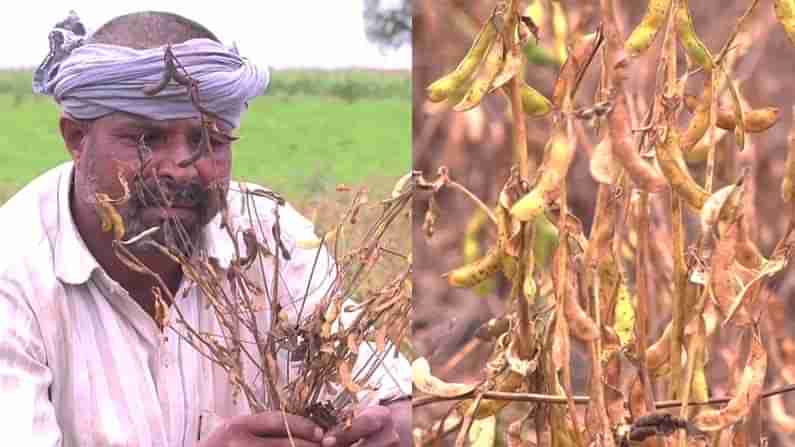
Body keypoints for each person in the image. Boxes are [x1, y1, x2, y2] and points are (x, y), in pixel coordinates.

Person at [0, 10, 410, 447]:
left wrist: (389, 428)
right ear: (76, 139)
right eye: (146, 139)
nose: (183, 168)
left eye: (209, 141)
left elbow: (398, 398)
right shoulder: (15, 273)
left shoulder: (271, 237)